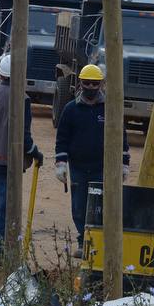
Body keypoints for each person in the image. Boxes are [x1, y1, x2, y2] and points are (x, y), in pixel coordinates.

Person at [0, 53, 44, 261]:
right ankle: (2, 252)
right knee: (5, 209)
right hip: (8, 164)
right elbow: (25, 136)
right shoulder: (22, 99)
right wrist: (35, 153)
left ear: (0, 75)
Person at [54, 63, 129, 250]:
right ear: (80, 83)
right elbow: (62, 138)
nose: (91, 88)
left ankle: (98, 243)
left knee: (100, 207)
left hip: (102, 168)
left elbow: (121, 138)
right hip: (78, 168)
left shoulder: (111, 109)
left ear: (102, 84)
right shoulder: (71, 110)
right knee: (79, 206)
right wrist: (61, 163)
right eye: (87, 83)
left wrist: (124, 163)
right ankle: (83, 242)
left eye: (95, 84)